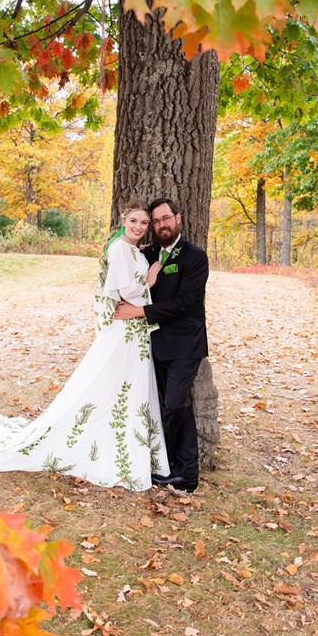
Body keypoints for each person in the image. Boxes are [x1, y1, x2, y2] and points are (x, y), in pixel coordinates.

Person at [0, 200, 169, 492]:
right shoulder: (119, 248)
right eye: (134, 221)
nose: (139, 227)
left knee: (123, 388)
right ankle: (115, 452)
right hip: (124, 329)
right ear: (123, 220)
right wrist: (150, 280)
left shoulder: (130, 249)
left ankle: (125, 446)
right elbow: (126, 292)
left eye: (144, 223)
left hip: (133, 331)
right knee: (114, 386)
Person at [114, 198, 209, 494]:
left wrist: (139, 311)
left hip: (185, 345)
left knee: (175, 404)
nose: (160, 225)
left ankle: (185, 472)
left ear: (178, 218)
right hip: (153, 345)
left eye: (165, 219)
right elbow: (126, 263)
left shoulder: (195, 257)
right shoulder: (149, 252)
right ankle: (175, 469)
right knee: (173, 406)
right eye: (155, 221)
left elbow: (185, 302)